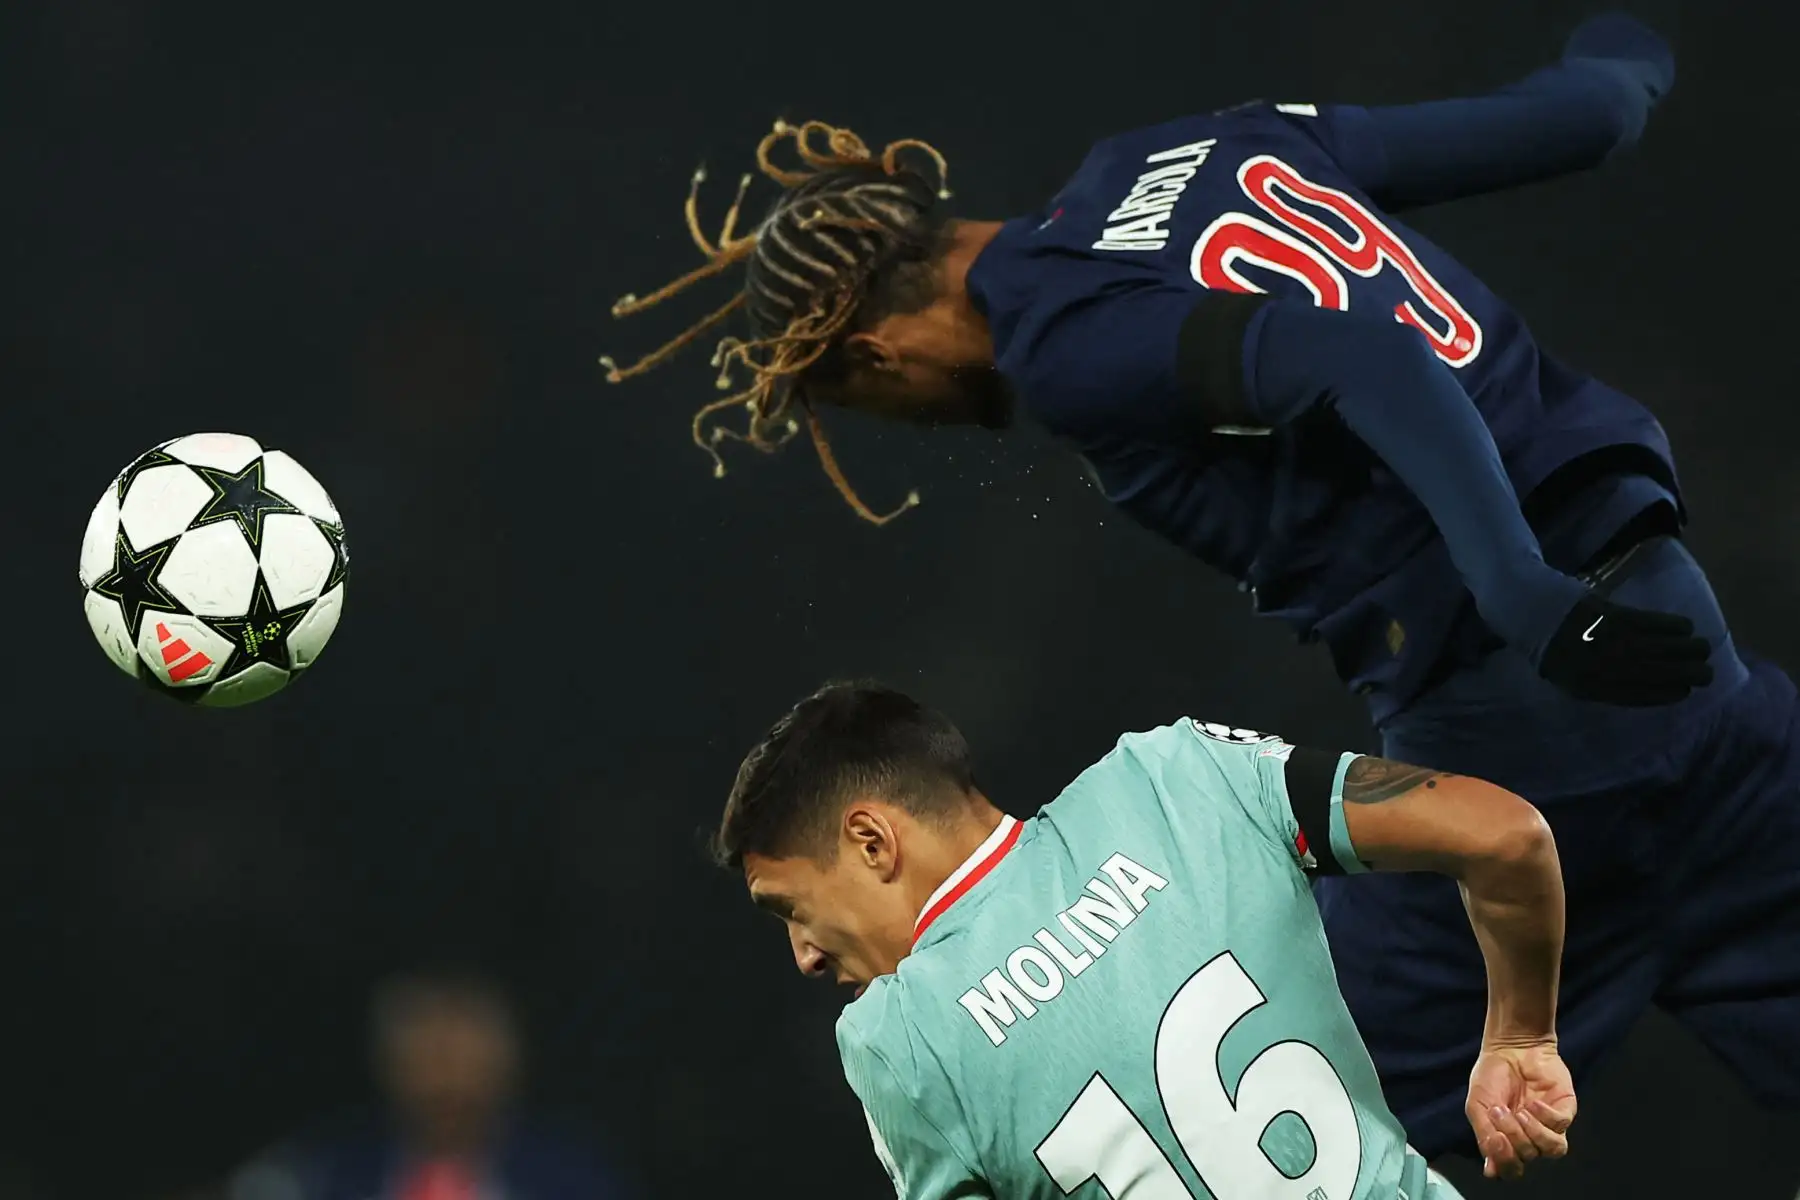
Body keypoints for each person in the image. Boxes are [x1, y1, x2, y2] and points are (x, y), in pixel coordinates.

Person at [605, 12, 1800, 1161]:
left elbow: (1355, 353)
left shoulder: (1057, 341)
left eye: (862, 404)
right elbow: (1590, 115)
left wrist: (1516, 586)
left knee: (1248, 1128)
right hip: (1678, 645)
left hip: (1518, 704)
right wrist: (1641, 32)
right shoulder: (1203, 145)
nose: (905, 420)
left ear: (867, 352)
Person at [716, 681, 1572, 1196]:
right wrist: (1521, 1035)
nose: (804, 954)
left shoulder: (898, 1040)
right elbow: (1507, 835)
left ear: (872, 842)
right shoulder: (1180, 776)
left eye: (790, 908)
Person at [228, 970, 630, 1200]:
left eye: (466, 1063)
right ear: (388, 1065)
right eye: (428, 1061)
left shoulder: (575, 1181)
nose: (447, 1087)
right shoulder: (320, 1173)